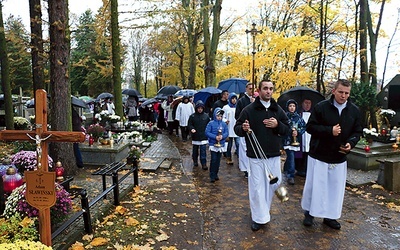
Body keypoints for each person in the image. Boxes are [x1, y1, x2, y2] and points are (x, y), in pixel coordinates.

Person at [301, 79, 362, 230]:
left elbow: (357, 131)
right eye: (340, 92)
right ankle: (309, 213)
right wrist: (329, 131)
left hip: (339, 156)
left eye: (346, 93)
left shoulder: (354, 111)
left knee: (335, 189)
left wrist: (351, 143)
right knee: (315, 186)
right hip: (319, 154)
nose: (343, 96)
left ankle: (330, 216)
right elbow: (310, 127)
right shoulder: (321, 107)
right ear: (334, 91)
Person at [234, 79, 290, 231]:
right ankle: (259, 217)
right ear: (259, 90)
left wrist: (278, 125)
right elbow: (237, 128)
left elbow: (287, 129)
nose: (268, 91)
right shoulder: (249, 110)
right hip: (255, 156)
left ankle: (265, 210)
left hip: (273, 154)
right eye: (265, 88)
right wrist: (244, 128)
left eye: (271, 88)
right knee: (257, 187)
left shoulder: (278, 110)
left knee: (273, 186)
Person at [282, 99, 306, 185]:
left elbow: (304, 127)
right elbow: (282, 127)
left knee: (291, 157)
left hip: (295, 141)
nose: (292, 108)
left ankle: (286, 168)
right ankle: (291, 175)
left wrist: (298, 131)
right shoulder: (284, 116)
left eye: (293, 106)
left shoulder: (299, 118)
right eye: (290, 106)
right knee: (291, 156)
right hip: (288, 141)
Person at [235, 82, 255, 178]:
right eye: (250, 88)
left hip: (255, 129)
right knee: (244, 149)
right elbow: (237, 115)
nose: (252, 90)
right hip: (245, 128)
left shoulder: (257, 100)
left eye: (253, 88)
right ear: (246, 89)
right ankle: (246, 169)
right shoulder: (241, 101)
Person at [206, 107, 229, 182]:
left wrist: (222, 137)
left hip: (221, 144)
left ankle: (216, 173)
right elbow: (207, 132)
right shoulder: (211, 123)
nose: (219, 117)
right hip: (213, 144)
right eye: (218, 116)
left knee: (218, 160)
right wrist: (215, 137)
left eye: (221, 116)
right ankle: (212, 175)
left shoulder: (224, 124)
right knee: (214, 159)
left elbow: (226, 132)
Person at [188, 100, 210, 170]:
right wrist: (192, 129)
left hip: (203, 136)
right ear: (196, 108)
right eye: (198, 108)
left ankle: (203, 163)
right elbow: (190, 124)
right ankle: (195, 161)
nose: (200, 110)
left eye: (201, 108)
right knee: (195, 150)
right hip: (195, 136)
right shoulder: (192, 116)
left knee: (203, 151)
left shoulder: (206, 116)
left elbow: (209, 125)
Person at [295, 98, 313, 177]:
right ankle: (299, 169)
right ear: (302, 104)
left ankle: (306, 169)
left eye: (309, 103)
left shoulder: (313, 114)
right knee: (300, 152)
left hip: (310, 135)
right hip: (301, 135)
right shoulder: (299, 114)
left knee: (308, 152)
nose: (307, 105)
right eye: (306, 103)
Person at [222, 92, 239, 165]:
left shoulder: (238, 107)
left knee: (238, 144)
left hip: (236, 128)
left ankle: (239, 158)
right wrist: (225, 120)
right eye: (232, 99)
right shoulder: (226, 107)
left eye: (235, 99)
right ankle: (228, 158)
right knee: (229, 145)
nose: (234, 100)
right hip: (229, 129)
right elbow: (222, 116)